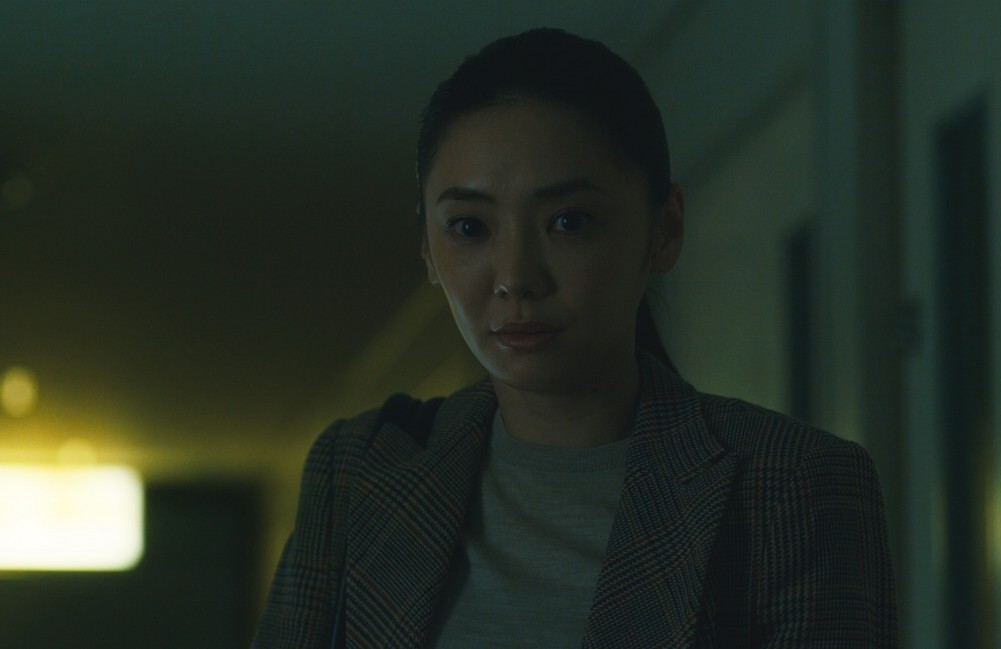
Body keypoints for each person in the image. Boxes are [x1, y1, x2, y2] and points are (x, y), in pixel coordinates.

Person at [254, 28, 897, 648]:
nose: (516, 278)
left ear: (664, 231)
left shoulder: (793, 487)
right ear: (427, 247)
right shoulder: (362, 470)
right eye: (470, 228)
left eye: (569, 221)